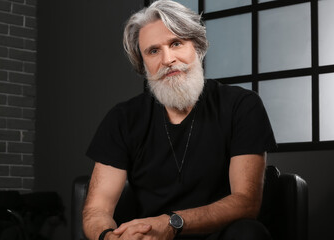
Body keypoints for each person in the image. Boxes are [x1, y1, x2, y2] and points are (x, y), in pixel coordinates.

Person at [83, 1, 276, 240]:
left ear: (197, 47)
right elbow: (97, 210)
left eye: (176, 43)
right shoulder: (123, 119)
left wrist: (172, 223)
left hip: (219, 235)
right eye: (153, 51)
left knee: (248, 234)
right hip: (150, 237)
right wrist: (109, 237)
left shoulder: (241, 105)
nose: (167, 59)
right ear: (143, 65)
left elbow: (246, 203)